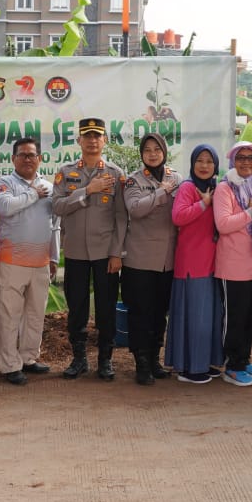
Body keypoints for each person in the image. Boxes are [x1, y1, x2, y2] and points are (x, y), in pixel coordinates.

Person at [52, 117, 128, 380]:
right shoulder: (66, 172)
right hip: (76, 252)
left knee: (106, 308)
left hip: (105, 253)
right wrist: (87, 190)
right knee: (77, 307)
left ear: (104, 140)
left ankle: (105, 360)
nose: (93, 140)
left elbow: (121, 217)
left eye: (97, 136)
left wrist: (117, 252)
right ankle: (79, 358)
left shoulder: (116, 174)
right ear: (79, 141)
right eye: (88, 136)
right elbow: (57, 206)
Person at [0, 137, 58, 386]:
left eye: (32, 155)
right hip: (12, 262)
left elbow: (54, 226)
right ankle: (9, 365)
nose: (28, 159)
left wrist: (54, 257)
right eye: (23, 155)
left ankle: (29, 358)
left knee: (35, 315)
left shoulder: (49, 187)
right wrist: (32, 194)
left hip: (40, 261)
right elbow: (6, 207)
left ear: (40, 158)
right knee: (9, 315)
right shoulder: (4, 183)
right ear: (13, 159)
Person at [121, 134, 180, 385]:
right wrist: (160, 193)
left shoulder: (176, 178)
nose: (153, 153)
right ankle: (141, 362)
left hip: (168, 260)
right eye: (147, 150)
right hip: (139, 260)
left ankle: (155, 359)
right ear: (141, 153)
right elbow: (135, 209)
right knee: (140, 313)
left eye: (157, 149)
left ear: (164, 151)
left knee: (159, 314)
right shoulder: (133, 180)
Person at [166, 145, 224, 384]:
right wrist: (204, 204)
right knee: (195, 318)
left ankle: (206, 362)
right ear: (192, 164)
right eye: (199, 160)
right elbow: (178, 217)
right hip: (191, 263)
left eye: (209, 161)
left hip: (211, 263)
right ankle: (190, 367)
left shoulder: (216, 188)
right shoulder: (188, 188)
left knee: (209, 317)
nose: (204, 165)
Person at [214, 141, 252, 387]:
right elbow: (223, 224)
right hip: (233, 265)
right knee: (235, 319)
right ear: (233, 161)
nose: (247, 162)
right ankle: (232, 365)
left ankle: (244, 360)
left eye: (251, 158)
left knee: (251, 317)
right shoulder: (224, 189)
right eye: (241, 157)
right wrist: (251, 213)